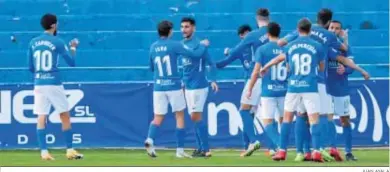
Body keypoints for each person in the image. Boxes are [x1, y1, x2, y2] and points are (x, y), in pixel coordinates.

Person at [216, 8, 271, 156]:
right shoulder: (274, 34)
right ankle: (269, 147)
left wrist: (211, 63)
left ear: (256, 18)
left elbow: (232, 53)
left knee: (244, 110)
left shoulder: (253, 36)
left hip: (256, 80)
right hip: (273, 79)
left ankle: (253, 142)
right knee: (267, 115)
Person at [28, 13, 83, 160]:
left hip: (38, 82)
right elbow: (71, 63)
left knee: (41, 116)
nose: (57, 25)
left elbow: (31, 67)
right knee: (64, 114)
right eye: (56, 23)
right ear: (53, 25)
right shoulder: (57, 41)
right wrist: (73, 48)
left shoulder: (33, 42)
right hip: (53, 82)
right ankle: (70, 150)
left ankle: (44, 152)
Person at [180, 17, 218, 157]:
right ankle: (200, 148)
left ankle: (206, 149)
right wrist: (183, 81)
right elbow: (185, 65)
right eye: (182, 27)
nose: (184, 29)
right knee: (194, 117)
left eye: (187, 27)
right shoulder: (184, 43)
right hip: (188, 86)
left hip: (199, 86)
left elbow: (211, 63)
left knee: (196, 116)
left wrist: (213, 79)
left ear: (193, 28)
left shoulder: (197, 44)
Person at [247, 22, 286, 157]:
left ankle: (280, 146)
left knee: (267, 121)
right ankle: (290, 147)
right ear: (279, 33)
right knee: (284, 121)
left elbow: (256, 71)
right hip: (284, 90)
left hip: (268, 91)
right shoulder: (285, 48)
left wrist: (250, 88)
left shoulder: (262, 49)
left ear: (267, 34)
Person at [327, 20, 358, 161]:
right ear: (327, 28)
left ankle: (348, 152)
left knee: (345, 120)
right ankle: (331, 149)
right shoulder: (323, 46)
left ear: (341, 31)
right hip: (325, 90)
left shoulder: (346, 49)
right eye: (331, 27)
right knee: (325, 120)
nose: (334, 30)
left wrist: (344, 69)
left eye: (337, 28)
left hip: (341, 90)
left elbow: (352, 67)